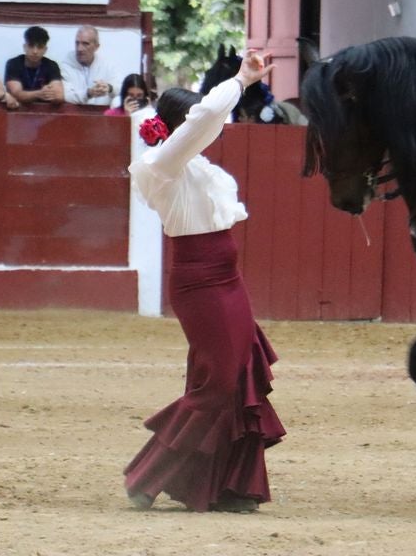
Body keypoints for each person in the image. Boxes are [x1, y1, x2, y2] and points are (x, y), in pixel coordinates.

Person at [124, 49, 285, 513]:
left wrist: (241, 85)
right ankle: (146, 476)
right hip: (200, 284)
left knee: (238, 373)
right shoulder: (161, 165)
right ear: (180, 125)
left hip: (227, 280)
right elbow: (209, 115)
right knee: (216, 385)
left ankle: (228, 487)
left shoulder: (190, 165)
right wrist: (241, 79)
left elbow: (207, 119)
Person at [4, 26, 64, 105]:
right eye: (31, 46)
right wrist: (39, 94)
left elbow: (59, 96)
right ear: (24, 47)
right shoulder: (13, 64)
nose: (35, 51)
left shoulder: (52, 65)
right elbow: (15, 94)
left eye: (40, 47)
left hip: (45, 113)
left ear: (45, 50)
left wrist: (49, 94)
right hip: (17, 111)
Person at [61, 24, 116, 107]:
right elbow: (65, 95)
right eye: (77, 43)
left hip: (101, 115)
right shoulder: (65, 65)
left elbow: (121, 88)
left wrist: (109, 88)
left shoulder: (107, 65)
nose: (79, 49)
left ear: (96, 47)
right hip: (74, 115)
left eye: (85, 44)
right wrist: (88, 93)